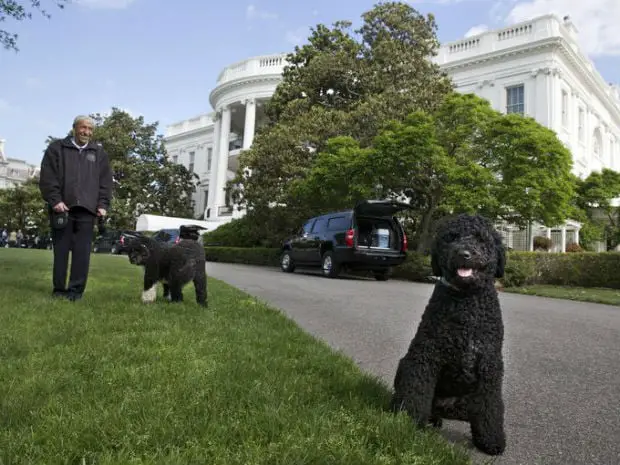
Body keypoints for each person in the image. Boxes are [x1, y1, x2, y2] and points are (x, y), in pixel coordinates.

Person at [39, 115, 113, 300]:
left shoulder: (99, 153)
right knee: (61, 252)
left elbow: (106, 182)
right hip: (62, 209)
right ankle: (59, 290)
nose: (86, 132)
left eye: (90, 129)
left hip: (87, 211)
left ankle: (75, 292)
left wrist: (103, 204)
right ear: (74, 128)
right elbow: (48, 177)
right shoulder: (57, 148)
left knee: (82, 254)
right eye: (83, 128)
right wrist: (55, 200)